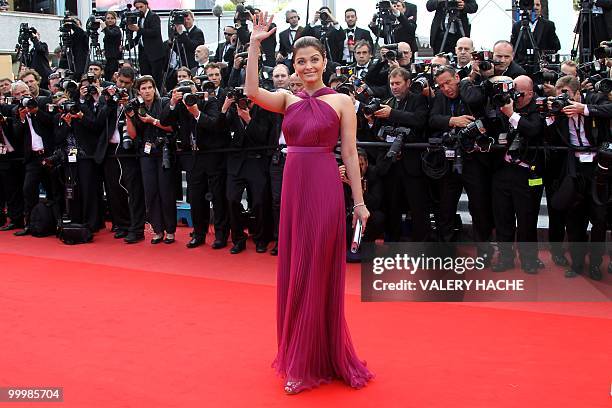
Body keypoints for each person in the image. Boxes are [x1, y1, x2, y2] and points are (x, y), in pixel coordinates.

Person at [244, 13, 374, 394]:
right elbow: (252, 91)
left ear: (325, 62)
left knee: (318, 268)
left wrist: (359, 202)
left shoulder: (343, 102)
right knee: (296, 268)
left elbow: (349, 154)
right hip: (294, 186)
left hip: (323, 186)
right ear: (294, 67)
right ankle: (299, 356)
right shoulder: (287, 98)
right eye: (300, 61)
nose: (308, 66)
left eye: (313, 59)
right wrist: (255, 44)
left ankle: (314, 358)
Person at [510, 0, 560, 67]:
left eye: (538, 5)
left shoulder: (548, 25)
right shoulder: (517, 26)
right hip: (521, 65)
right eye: (533, 5)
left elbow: (556, 46)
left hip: (541, 65)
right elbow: (512, 47)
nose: (536, 7)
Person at [99, 11, 122, 82]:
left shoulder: (116, 29)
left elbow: (110, 35)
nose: (110, 20)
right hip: (108, 58)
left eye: (112, 18)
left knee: (112, 78)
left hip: (114, 58)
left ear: (115, 19)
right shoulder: (109, 29)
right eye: (108, 18)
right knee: (107, 76)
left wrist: (104, 27)